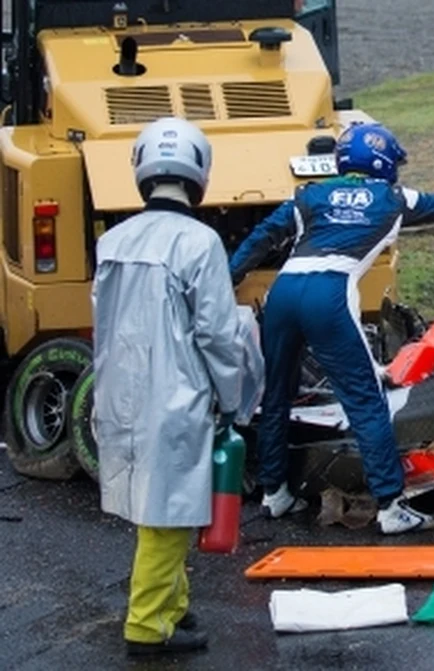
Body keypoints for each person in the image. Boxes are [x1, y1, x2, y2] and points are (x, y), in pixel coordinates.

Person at [227, 122, 434, 534]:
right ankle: (390, 505)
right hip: (329, 294)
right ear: (382, 162)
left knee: (277, 394)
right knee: (366, 401)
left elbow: (262, 238)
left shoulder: (310, 194)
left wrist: (228, 276)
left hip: (284, 292)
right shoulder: (392, 198)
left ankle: (274, 493)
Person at [92, 117, 245, 656]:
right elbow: (219, 335)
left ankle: (174, 607)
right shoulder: (200, 243)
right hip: (176, 397)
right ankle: (147, 626)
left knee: (155, 508)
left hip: (118, 393)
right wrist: (235, 397)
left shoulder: (112, 241)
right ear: (199, 172)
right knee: (168, 513)